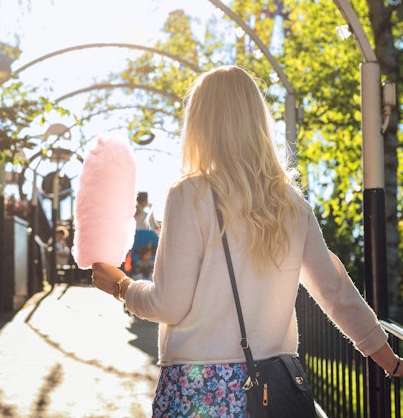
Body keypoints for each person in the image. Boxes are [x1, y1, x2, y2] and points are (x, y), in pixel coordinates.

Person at [92, 65, 402, 416]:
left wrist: (122, 287)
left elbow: (169, 304)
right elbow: (335, 291)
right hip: (275, 388)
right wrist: (390, 360)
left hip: (199, 389)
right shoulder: (289, 203)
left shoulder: (190, 194)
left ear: (200, 124)